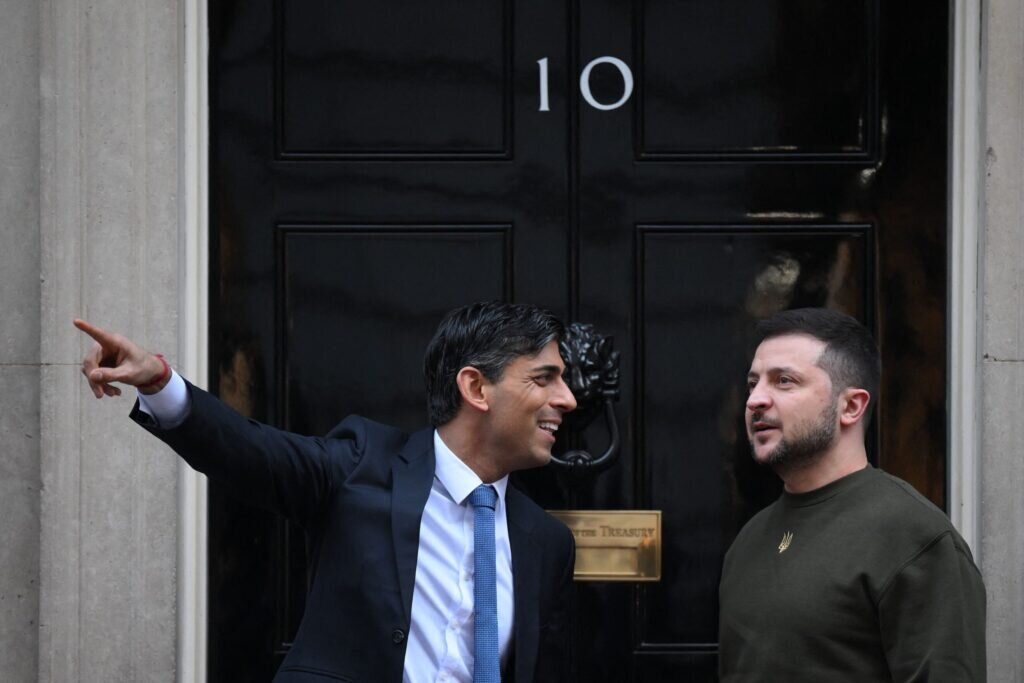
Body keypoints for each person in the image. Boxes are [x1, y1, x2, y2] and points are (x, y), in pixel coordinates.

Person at [75, 301, 578, 683]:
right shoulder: (361, 465)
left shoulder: (546, 542)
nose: (568, 399)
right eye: (544, 378)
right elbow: (250, 452)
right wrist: (160, 382)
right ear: (476, 389)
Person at [719, 308, 986, 682]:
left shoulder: (914, 537)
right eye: (753, 383)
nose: (755, 400)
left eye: (784, 381)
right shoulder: (749, 540)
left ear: (850, 406)